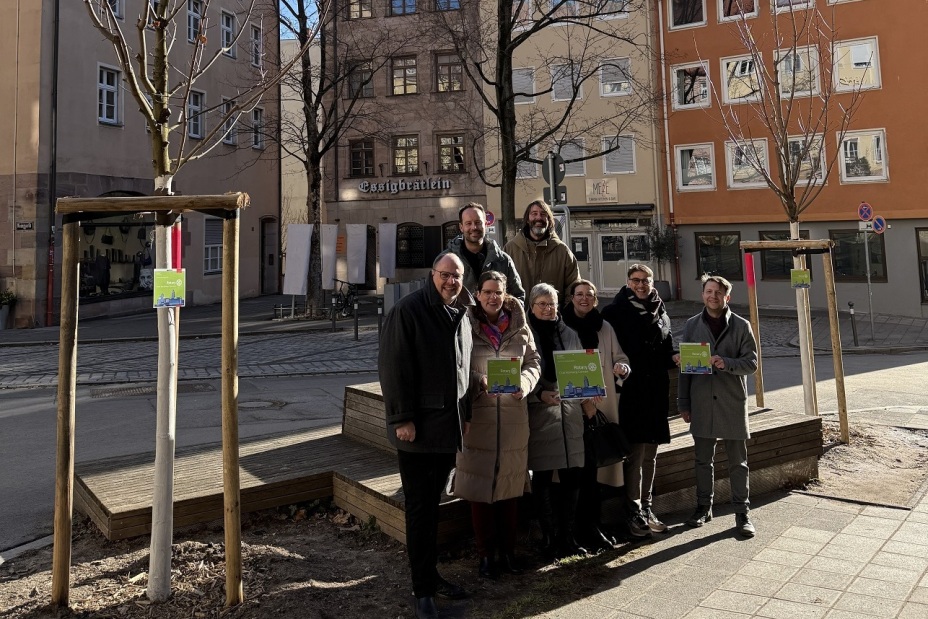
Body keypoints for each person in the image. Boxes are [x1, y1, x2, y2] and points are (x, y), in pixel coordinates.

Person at [378, 253, 474, 619]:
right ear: (432, 275)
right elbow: (393, 366)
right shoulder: (409, 310)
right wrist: (402, 418)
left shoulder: (460, 312)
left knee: (432, 508)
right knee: (420, 511)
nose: (452, 281)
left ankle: (430, 577)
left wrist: (466, 416)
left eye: (458, 276)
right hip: (417, 430)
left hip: (448, 427)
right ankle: (423, 592)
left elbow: (462, 373)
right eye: (446, 275)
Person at [453, 271, 540, 579]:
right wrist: (480, 381)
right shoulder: (464, 324)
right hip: (479, 417)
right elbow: (457, 366)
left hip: (514, 416)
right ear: (478, 294)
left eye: (498, 292)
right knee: (480, 489)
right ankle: (486, 555)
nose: (493, 297)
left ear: (506, 295)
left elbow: (534, 363)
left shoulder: (519, 325)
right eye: (487, 292)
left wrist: (526, 384)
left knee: (510, 487)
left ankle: (508, 552)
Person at [677, 274, 759, 538]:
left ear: (727, 297)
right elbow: (685, 372)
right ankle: (703, 507)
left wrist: (727, 363)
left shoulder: (741, 325)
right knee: (703, 460)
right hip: (701, 402)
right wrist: (684, 402)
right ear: (703, 295)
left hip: (731, 402)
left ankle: (742, 512)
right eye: (708, 291)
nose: (713, 296)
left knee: (738, 462)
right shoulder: (691, 325)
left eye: (718, 292)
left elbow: (752, 363)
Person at [601, 264, 677, 539]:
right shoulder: (613, 311)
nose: (641, 285)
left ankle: (647, 507)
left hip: (656, 389)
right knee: (634, 453)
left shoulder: (661, 309)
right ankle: (632, 511)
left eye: (645, 280)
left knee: (652, 452)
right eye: (636, 280)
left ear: (652, 282)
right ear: (628, 282)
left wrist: (676, 358)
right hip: (631, 390)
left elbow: (665, 348)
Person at [526, 283, 595, 558]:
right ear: (531, 306)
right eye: (542, 304)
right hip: (540, 415)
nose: (548, 309)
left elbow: (579, 369)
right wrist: (539, 395)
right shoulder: (525, 334)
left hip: (570, 414)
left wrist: (589, 394)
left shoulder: (569, 333)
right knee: (542, 476)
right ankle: (549, 537)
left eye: (552, 303)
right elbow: (520, 374)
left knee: (573, 476)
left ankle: (568, 537)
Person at [561, 279, 631, 551]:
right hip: (571, 409)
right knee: (573, 472)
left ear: (595, 300)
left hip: (599, 408)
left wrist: (622, 369)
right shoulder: (562, 326)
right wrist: (582, 402)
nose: (584, 299)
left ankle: (593, 526)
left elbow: (621, 357)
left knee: (593, 471)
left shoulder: (605, 327)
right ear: (571, 298)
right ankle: (572, 531)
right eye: (579, 295)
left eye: (589, 295)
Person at [443, 203, 526, 303]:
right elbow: (435, 296)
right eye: (468, 223)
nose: (474, 227)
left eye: (478, 222)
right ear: (461, 227)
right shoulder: (445, 261)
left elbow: (518, 296)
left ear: (486, 224)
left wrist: (504, 317)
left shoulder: (503, 260)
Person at [504, 200, 580, 299]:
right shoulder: (510, 249)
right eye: (534, 214)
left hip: (552, 313)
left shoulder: (562, 251)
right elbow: (501, 286)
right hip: (518, 313)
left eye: (543, 214)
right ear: (527, 219)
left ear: (549, 220)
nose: (539, 218)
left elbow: (573, 286)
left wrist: (564, 311)